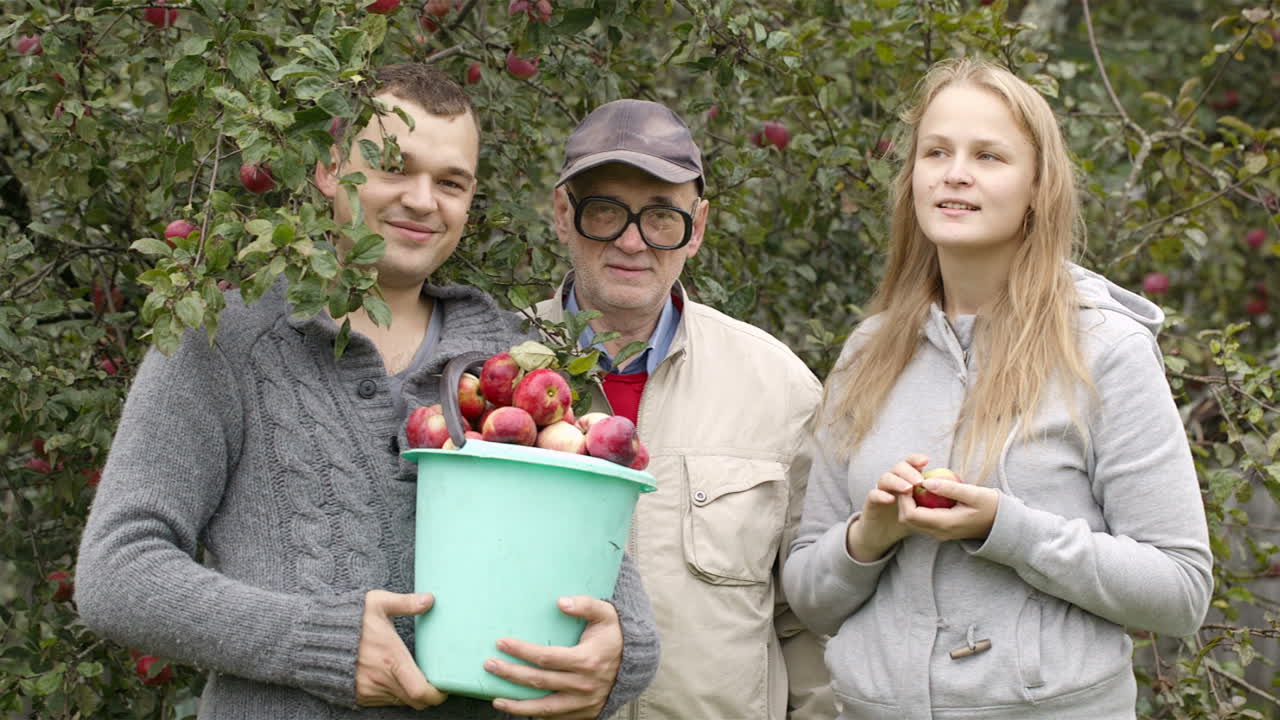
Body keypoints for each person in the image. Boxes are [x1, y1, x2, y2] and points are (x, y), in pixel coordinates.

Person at [75, 63, 659, 720]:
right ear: (329, 170)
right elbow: (116, 570)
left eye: (450, 183)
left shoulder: (517, 368)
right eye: (391, 167)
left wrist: (619, 659)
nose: (421, 199)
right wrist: (315, 641)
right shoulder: (224, 339)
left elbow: (615, 592)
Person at [782, 57, 1213, 719]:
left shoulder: (1105, 351)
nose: (956, 173)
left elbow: (1181, 593)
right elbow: (810, 597)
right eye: (937, 152)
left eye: (988, 155)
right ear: (913, 178)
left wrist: (1005, 528)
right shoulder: (869, 352)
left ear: (1038, 186)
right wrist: (868, 536)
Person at [532, 99, 836, 720]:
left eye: (661, 217)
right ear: (564, 214)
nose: (632, 241)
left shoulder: (780, 390)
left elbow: (810, 622)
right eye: (606, 211)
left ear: (696, 227)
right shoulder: (497, 375)